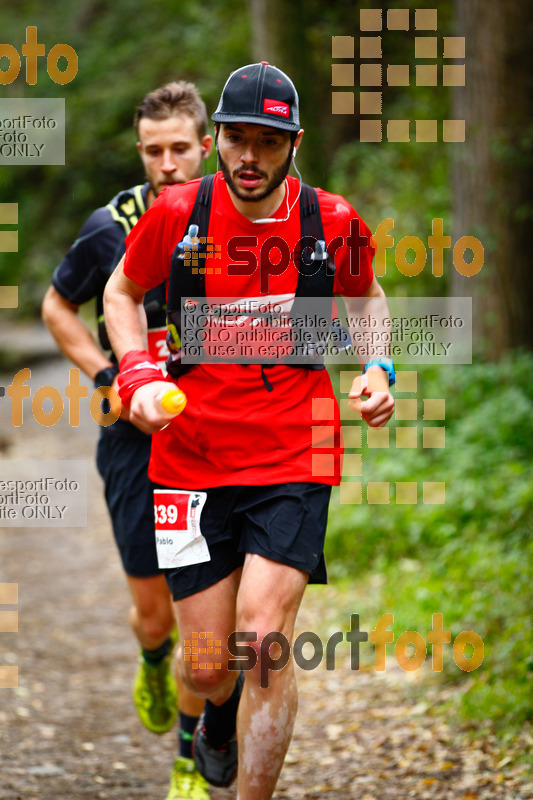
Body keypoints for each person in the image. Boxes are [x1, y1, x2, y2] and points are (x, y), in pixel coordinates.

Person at [103, 62, 395, 800]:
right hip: (191, 455)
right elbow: (121, 292)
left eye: (267, 142)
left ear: (293, 143)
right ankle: (212, 716)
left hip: (295, 448)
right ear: (218, 139)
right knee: (207, 664)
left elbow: (366, 299)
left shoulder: (328, 220)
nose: (249, 157)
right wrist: (136, 374)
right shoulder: (177, 213)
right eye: (236, 139)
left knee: (261, 642)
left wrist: (378, 367)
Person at [42, 81, 213, 800]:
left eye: (180, 149)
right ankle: (152, 659)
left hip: (213, 436)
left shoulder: (243, 219)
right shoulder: (112, 225)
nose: (168, 164)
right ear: (140, 154)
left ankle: (189, 754)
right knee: (154, 616)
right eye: (154, 152)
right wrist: (107, 372)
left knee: (208, 612)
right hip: (132, 443)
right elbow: (58, 304)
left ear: (206, 146)